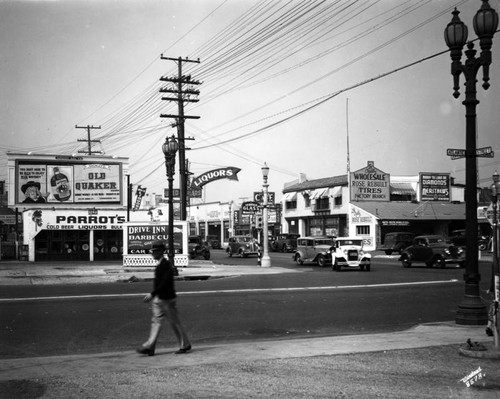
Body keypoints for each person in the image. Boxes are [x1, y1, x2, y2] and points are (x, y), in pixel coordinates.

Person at [136, 240, 191, 356]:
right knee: (156, 322)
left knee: (174, 322)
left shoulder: (165, 265)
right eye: (153, 251)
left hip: (166, 299)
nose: (153, 254)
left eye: (155, 251)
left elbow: (164, 283)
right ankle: (150, 347)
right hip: (160, 298)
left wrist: (152, 293)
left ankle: (185, 344)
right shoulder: (161, 264)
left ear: (161, 252)